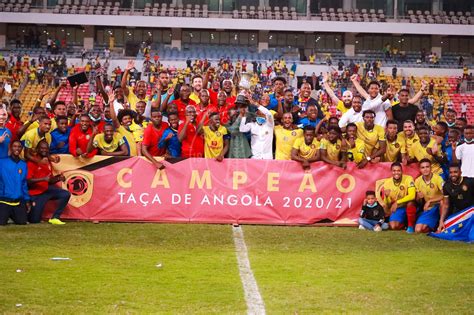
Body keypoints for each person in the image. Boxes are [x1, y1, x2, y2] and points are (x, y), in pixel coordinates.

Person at [27, 140, 70, 225]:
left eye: (46, 149)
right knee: (34, 220)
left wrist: (58, 178)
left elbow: (49, 180)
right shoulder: (32, 162)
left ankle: (55, 217)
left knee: (66, 194)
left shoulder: (48, 162)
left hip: (46, 190)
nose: (44, 150)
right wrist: (43, 179)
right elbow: (28, 181)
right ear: (37, 149)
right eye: (42, 148)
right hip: (36, 194)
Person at [0, 140, 31, 225]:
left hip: (17, 201)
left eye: (19, 146)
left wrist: (27, 200)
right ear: (10, 148)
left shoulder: (23, 164)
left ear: (22, 149)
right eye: (14, 146)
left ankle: (11, 216)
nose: (17, 148)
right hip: (3, 200)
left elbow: (24, 183)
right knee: (1, 223)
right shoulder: (2, 162)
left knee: (22, 222)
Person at [382, 162, 417, 233]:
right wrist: (386, 196)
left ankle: (410, 226)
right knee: (394, 226)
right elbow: (387, 203)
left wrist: (397, 202)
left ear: (402, 171)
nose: (396, 173)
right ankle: (405, 223)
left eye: (398, 170)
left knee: (410, 203)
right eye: (394, 171)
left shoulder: (408, 178)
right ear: (391, 172)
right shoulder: (387, 183)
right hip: (398, 208)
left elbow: (412, 195)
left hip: (408, 205)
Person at [438, 164, 474, 231]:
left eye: (455, 172)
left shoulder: (470, 182)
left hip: (471, 211)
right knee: (446, 229)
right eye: (451, 172)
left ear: (460, 172)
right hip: (458, 212)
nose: (453, 174)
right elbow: (446, 205)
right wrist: (441, 220)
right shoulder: (446, 186)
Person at [414, 159, 444, 233]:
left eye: (427, 167)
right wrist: (418, 197)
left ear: (431, 168)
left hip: (439, 206)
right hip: (428, 208)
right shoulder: (417, 181)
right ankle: (434, 225)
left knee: (442, 202)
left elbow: (445, 195)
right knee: (418, 230)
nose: (425, 169)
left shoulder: (438, 178)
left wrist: (430, 201)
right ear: (420, 169)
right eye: (423, 167)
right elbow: (418, 201)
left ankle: (442, 223)